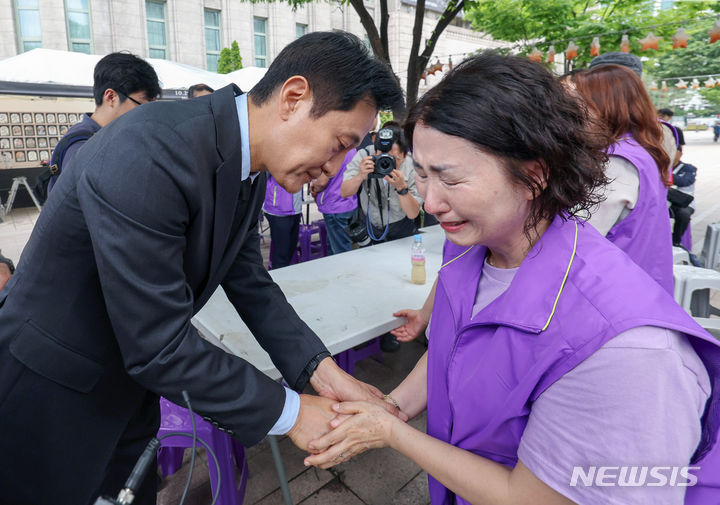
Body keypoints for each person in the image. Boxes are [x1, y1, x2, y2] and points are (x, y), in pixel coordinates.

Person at [0, 31, 404, 505]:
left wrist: (322, 371)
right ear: (294, 98)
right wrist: (292, 413)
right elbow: (158, 340)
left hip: (128, 391)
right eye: (338, 144)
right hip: (52, 394)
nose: (335, 169)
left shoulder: (246, 161)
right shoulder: (152, 148)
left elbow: (249, 280)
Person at [303, 52, 720, 505]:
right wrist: (393, 407)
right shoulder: (471, 259)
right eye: (421, 175)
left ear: (535, 174)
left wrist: (391, 432)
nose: (431, 201)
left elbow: (536, 495)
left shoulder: (627, 351)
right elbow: (451, 351)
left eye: (450, 178)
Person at [573, 64, 674, 293]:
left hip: (615, 287)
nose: (575, 113)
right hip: (641, 278)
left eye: (581, 103)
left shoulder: (616, 162)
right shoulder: (640, 149)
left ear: (605, 105)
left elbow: (578, 232)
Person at [46, 52, 162, 194]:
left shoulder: (112, 137)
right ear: (111, 97)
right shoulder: (83, 147)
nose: (147, 115)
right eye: (142, 105)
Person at [341, 122, 423, 243]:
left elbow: (413, 214)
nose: (385, 162)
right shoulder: (364, 156)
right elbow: (344, 192)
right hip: (371, 226)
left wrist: (402, 189)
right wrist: (360, 176)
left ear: (404, 155)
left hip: (400, 226)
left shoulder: (411, 165)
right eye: (381, 155)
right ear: (374, 151)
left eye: (392, 158)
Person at [311, 148, 359, 255]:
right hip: (350, 203)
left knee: (340, 250)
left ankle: (344, 271)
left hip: (335, 205)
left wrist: (314, 188)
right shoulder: (352, 149)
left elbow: (322, 182)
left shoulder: (332, 152)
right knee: (335, 245)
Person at [264, 174, 303, 268]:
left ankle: (282, 277)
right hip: (278, 210)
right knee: (281, 253)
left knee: (290, 250)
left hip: (295, 209)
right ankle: (278, 279)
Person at [669, 154, 697, 247]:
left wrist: (665, 174)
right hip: (666, 202)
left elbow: (685, 181)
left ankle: (676, 241)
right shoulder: (662, 166)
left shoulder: (688, 169)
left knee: (684, 214)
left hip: (684, 203)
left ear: (680, 154)